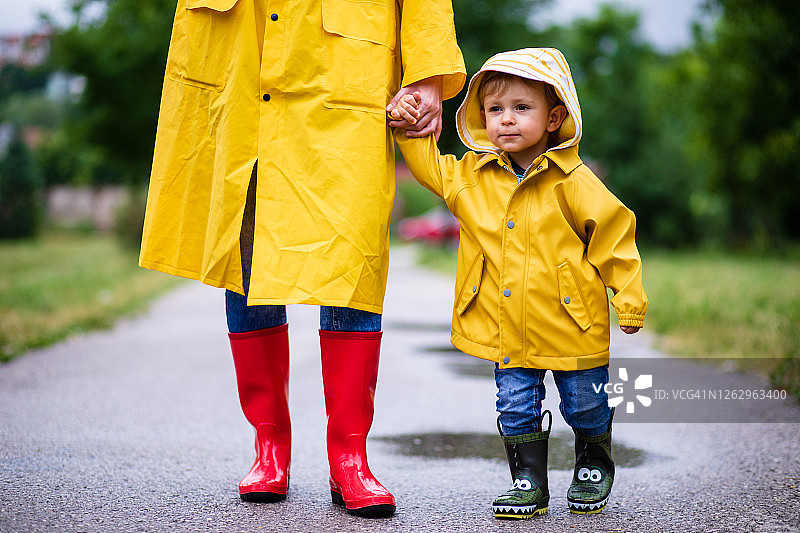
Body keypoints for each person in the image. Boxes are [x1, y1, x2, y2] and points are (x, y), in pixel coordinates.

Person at [139, 0, 466, 519]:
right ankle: (269, 446)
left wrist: (427, 74)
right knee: (246, 258)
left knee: (353, 259)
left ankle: (350, 457)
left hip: (345, 66)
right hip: (241, 60)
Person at [389, 47, 648, 519]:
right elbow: (428, 166)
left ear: (554, 117)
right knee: (514, 406)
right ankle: (528, 480)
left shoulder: (574, 181)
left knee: (585, 404)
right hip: (505, 325)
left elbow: (614, 237)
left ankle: (594, 460)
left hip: (572, 324)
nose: (506, 119)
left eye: (521, 108)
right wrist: (408, 125)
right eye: (495, 109)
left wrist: (628, 298)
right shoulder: (472, 177)